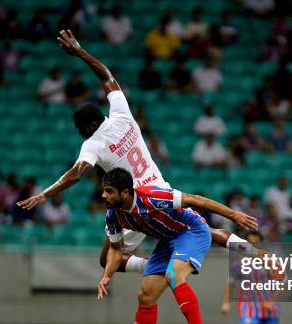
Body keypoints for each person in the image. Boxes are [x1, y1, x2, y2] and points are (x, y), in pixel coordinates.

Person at [17, 29, 270, 274]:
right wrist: (81, 52)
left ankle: (155, 266)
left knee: (107, 260)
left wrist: (44, 195)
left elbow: (75, 174)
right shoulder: (121, 113)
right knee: (203, 230)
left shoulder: (93, 143)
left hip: (134, 203)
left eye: (80, 128)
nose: (79, 132)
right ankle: (253, 252)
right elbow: (106, 77)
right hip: (159, 190)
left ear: (92, 126)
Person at [98, 168, 258, 324]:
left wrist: (233, 215)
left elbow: (196, 200)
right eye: (103, 191)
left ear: (125, 193)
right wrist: (106, 276)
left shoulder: (153, 197)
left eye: (109, 191)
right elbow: (116, 251)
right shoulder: (113, 215)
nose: (104, 196)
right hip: (167, 240)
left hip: (191, 230)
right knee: (145, 295)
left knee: (175, 274)